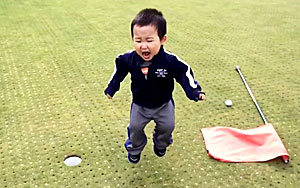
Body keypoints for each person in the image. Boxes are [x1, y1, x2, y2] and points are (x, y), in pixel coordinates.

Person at [104, 8, 205, 164]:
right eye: (138, 40)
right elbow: (119, 72)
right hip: (140, 105)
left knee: (167, 127)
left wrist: (195, 92)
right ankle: (135, 149)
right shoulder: (128, 59)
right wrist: (112, 88)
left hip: (163, 104)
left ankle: (160, 144)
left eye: (149, 40)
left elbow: (184, 73)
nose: (143, 46)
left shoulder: (170, 61)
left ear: (162, 39)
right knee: (135, 128)